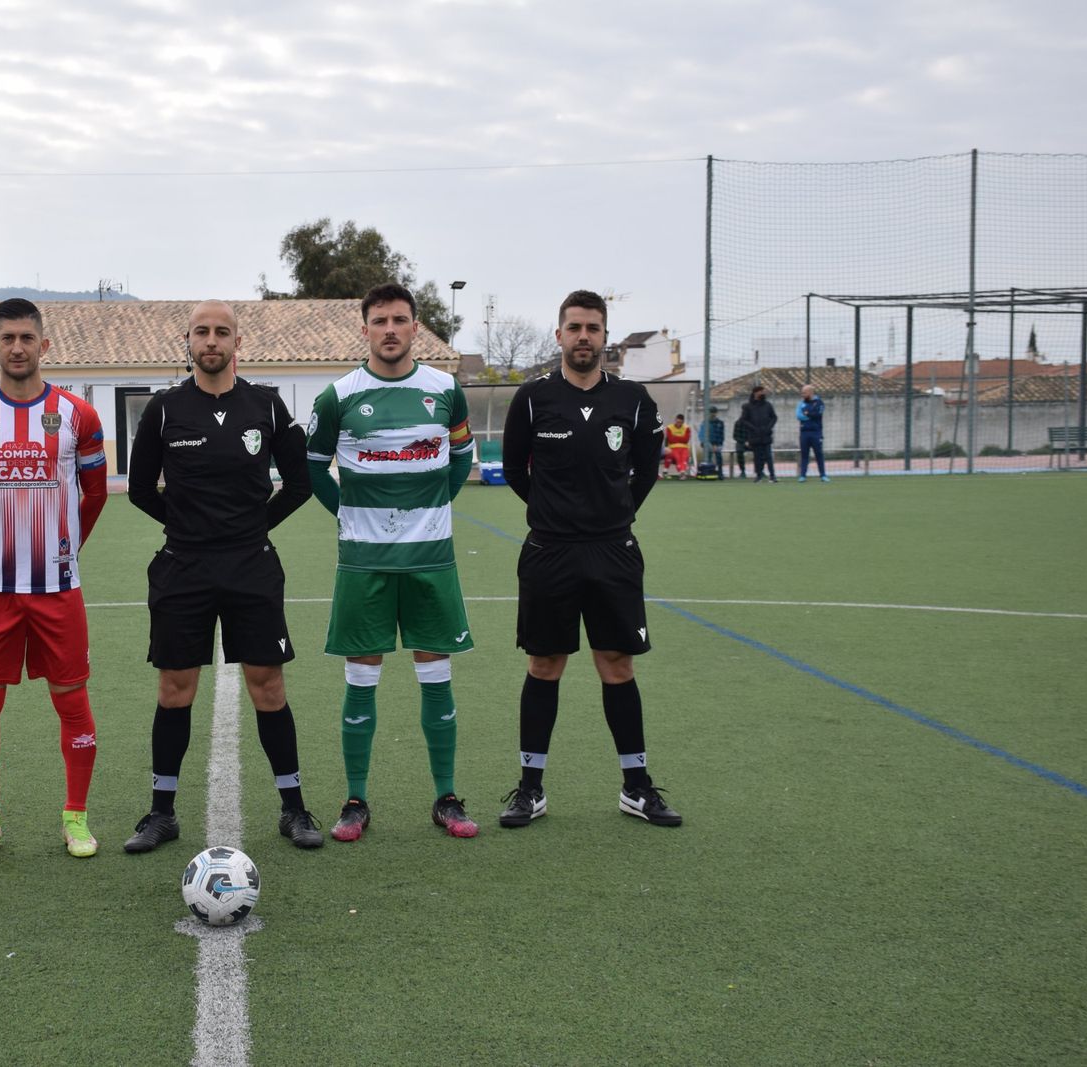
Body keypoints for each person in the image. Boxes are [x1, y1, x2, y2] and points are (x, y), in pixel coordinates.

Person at [124, 301, 319, 853]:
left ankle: (294, 808)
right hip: (182, 566)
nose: (212, 340)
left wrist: (251, 529)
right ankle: (162, 813)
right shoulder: (164, 410)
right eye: (202, 332)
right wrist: (188, 528)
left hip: (251, 566)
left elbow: (299, 485)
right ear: (187, 341)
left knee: (269, 686)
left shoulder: (267, 405)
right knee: (174, 689)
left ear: (239, 342)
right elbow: (141, 492)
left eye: (222, 332)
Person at [497, 289, 682, 831]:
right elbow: (514, 470)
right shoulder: (532, 398)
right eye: (574, 328)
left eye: (593, 329)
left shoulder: (633, 400)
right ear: (558, 336)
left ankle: (637, 786)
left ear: (605, 337)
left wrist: (613, 514)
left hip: (613, 551)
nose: (583, 337)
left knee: (616, 664)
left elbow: (646, 469)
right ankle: (530, 789)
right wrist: (555, 514)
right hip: (549, 551)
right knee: (544, 665)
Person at [306, 282, 479, 841]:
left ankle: (446, 798)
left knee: (436, 673)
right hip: (364, 564)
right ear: (364, 329)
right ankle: (356, 800)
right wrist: (350, 514)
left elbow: (460, 460)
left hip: (431, 560)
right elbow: (313, 470)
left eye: (399, 320)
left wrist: (427, 510)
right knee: (362, 677)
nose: (389, 330)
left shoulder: (446, 390)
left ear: (414, 327)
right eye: (379, 320)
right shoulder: (338, 397)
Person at [0, 298, 109, 861]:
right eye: (7, 338)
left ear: (45, 344)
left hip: (57, 588)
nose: (18, 347)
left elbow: (93, 495)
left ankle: (76, 818)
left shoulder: (79, 416)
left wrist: (65, 549)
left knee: (73, 701)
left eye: (27, 338)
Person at [737, 384, 778, 482]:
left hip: (766, 435)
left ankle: (772, 476)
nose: (763, 393)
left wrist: (769, 427)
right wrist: (753, 428)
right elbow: (744, 420)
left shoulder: (768, 405)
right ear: (756, 393)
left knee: (768, 456)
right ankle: (759, 475)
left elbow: (774, 417)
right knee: (757, 457)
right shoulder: (748, 406)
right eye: (761, 391)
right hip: (754, 436)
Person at [796, 383, 828, 482]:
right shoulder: (801, 403)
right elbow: (799, 415)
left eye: (804, 393)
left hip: (816, 432)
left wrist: (807, 413)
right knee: (804, 454)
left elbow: (817, 414)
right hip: (804, 432)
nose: (802, 394)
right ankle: (803, 476)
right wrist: (809, 414)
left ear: (810, 392)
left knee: (819, 454)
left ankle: (823, 475)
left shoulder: (819, 403)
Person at [661, 412, 693, 479]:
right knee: (677, 457)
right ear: (675, 420)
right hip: (673, 447)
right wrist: (681, 438)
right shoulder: (669, 427)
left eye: (680, 422)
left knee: (684, 457)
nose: (679, 424)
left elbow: (686, 440)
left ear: (683, 422)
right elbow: (670, 439)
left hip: (684, 448)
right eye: (677, 422)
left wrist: (675, 437)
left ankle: (682, 472)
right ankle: (681, 472)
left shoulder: (687, 428)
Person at [701, 406, 726, 480]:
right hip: (709, 444)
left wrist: (718, 444)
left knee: (719, 458)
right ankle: (709, 472)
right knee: (708, 457)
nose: (712, 414)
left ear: (716, 413)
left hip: (717, 444)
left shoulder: (720, 423)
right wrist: (703, 442)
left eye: (714, 412)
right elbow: (703, 434)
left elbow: (721, 435)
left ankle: (720, 473)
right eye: (711, 412)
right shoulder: (705, 422)